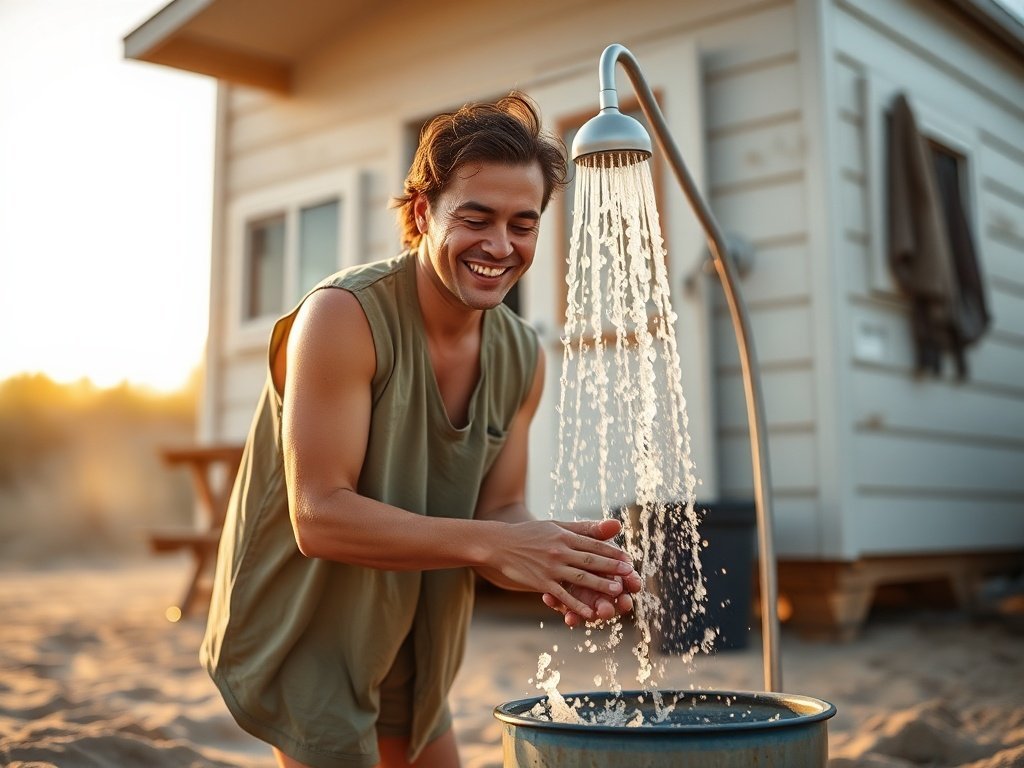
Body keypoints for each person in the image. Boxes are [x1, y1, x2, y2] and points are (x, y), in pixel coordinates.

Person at [201, 91, 643, 768]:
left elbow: (499, 511)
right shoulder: (343, 319)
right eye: (476, 218)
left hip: (420, 620)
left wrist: (561, 562)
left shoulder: (521, 354)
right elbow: (317, 516)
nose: (500, 246)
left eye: (523, 224)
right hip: (311, 623)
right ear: (420, 214)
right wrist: (498, 545)